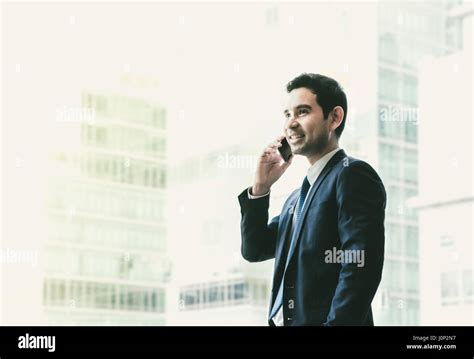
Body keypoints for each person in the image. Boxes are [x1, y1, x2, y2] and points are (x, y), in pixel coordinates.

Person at [238, 73, 386, 326]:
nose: (291, 124)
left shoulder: (352, 174)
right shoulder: (295, 200)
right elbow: (254, 249)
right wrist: (261, 187)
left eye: (302, 112)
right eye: (287, 115)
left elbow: (359, 267)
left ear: (334, 117)